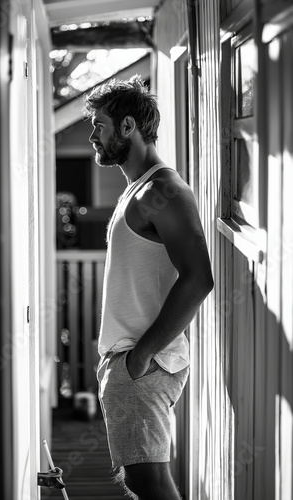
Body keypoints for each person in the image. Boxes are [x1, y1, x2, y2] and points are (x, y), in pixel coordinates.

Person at [82, 75, 214, 500]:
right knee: (141, 481)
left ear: (127, 127)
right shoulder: (136, 191)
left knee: (150, 484)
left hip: (144, 364)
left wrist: (140, 356)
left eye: (99, 125)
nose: (92, 136)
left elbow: (199, 278)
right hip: (130, 362)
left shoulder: (163, 190)